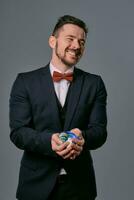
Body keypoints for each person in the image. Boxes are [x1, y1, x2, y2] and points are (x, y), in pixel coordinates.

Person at [9, 15, 107, 200]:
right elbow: (18, 133)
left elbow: (100, 132)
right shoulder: (25, 82)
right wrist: (49, 141)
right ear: (52, 41)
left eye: (82, 41)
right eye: (70, 39)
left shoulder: (95, 83)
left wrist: (82, 138)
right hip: (35, 186)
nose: (77, 46)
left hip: (80, 187)